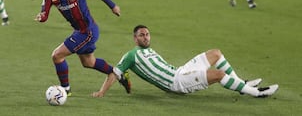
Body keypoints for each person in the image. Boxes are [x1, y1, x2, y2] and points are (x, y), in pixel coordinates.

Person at [92, 25, 279, 98]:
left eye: (148, 34)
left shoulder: (149, 50)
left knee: (215, 53)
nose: (146, 37)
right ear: (135, 38)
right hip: (176, 82)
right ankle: (256, 93)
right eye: (142, 35)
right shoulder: (131, 56)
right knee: (219, 75)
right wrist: (101, 92)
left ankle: (241, 85)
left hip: (180, 71)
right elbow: (115, 73)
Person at [35, 0, 130, 96]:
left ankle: (65, 90)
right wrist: (41, 16)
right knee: (89, 62)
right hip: (79, 31)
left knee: (57, 55)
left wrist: (113, 6)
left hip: (88, 31)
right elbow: (44, 13)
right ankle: (119, 74)